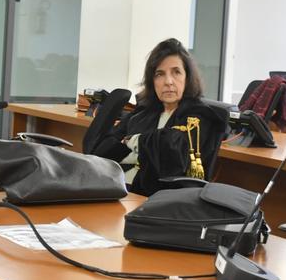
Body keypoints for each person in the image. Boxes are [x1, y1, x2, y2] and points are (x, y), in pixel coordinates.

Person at [92, 38, 228, 196]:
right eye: (160, 74)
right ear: (152, 81)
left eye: (176, 72)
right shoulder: (143, 113)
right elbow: (102, 151)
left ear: (187, 78)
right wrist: (140, 147)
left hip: (160, 199)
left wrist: (133, 142)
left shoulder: (200, 116)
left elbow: (172, 149)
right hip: (120, 188)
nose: (168, 81)